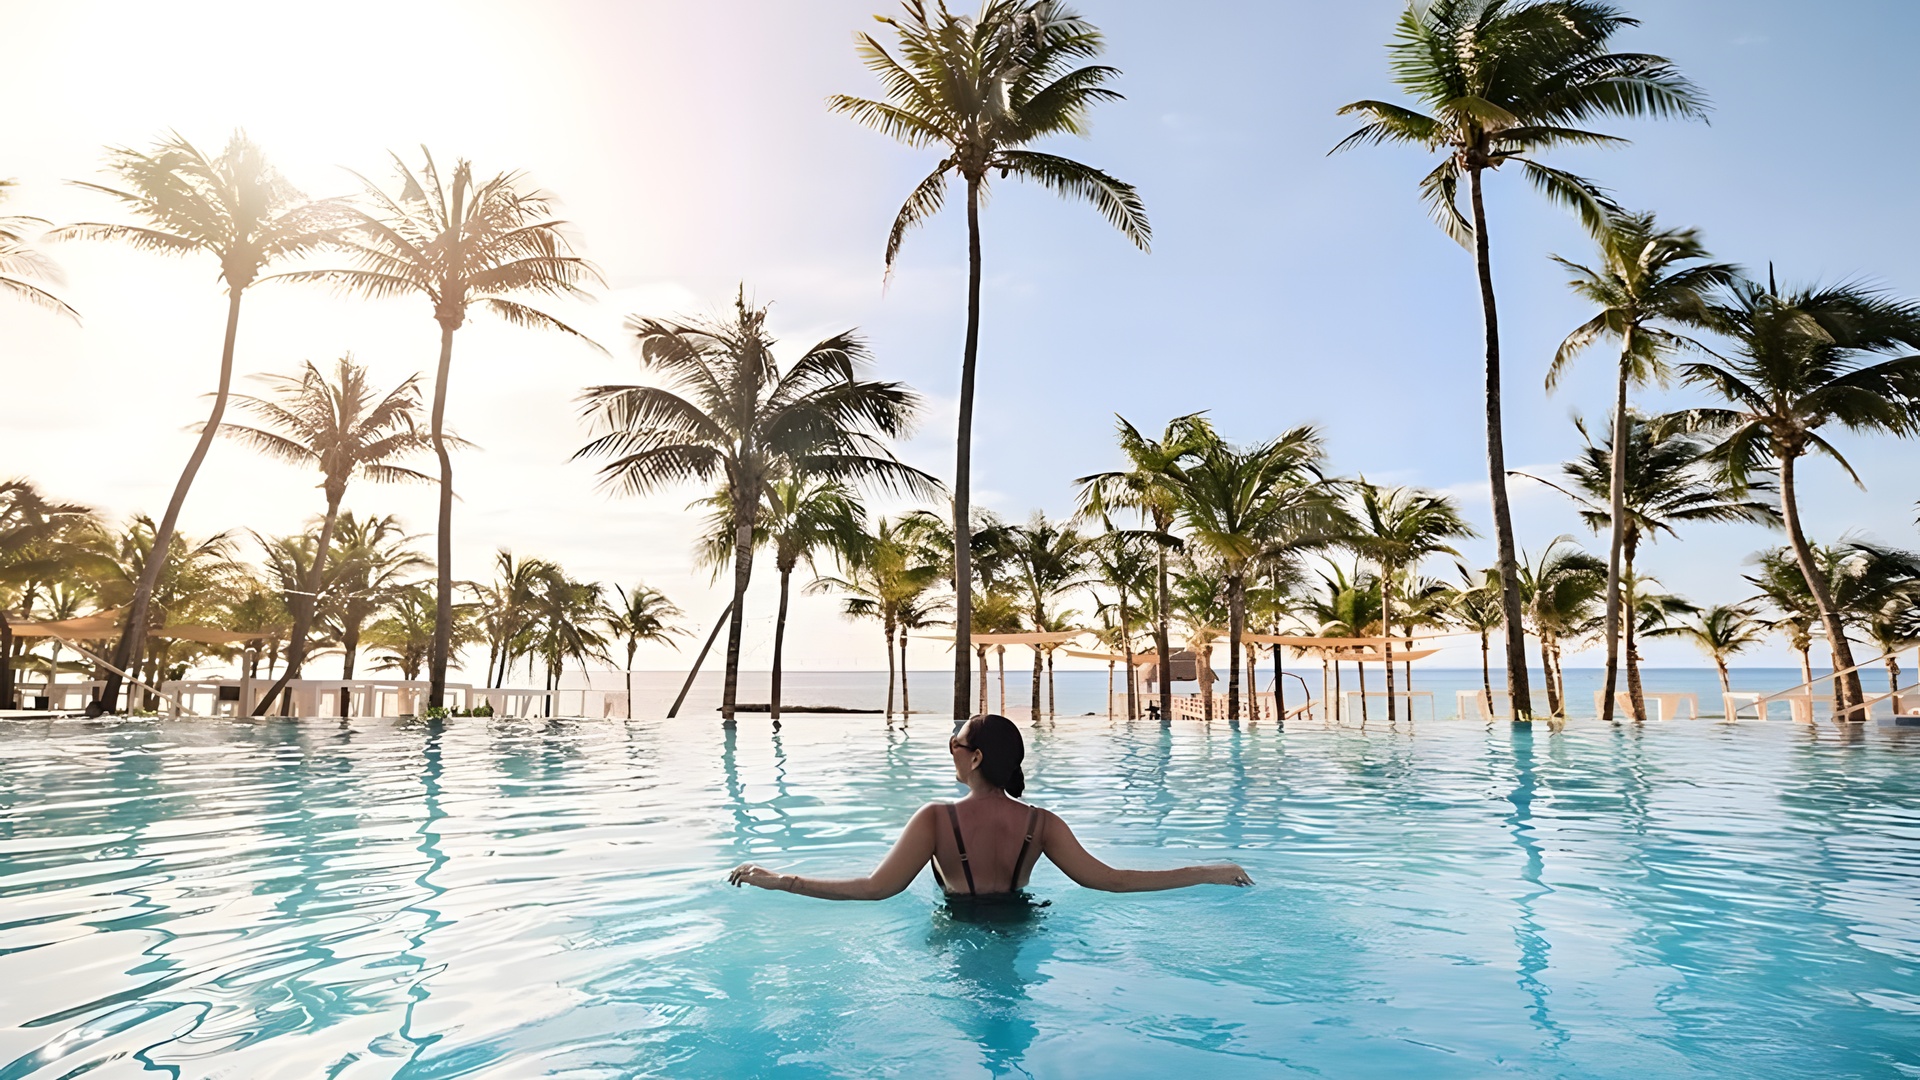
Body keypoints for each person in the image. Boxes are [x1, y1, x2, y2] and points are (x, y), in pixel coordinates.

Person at [726, 713, 1252, 905]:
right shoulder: (1041, 823)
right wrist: (1209, 872)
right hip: (1022, 927)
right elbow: (1111, 881)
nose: (949, 751)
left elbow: (875, 888)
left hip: (958, 934)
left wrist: (783, 880)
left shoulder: (936, 818)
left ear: (974, 757)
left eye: (954, 744)